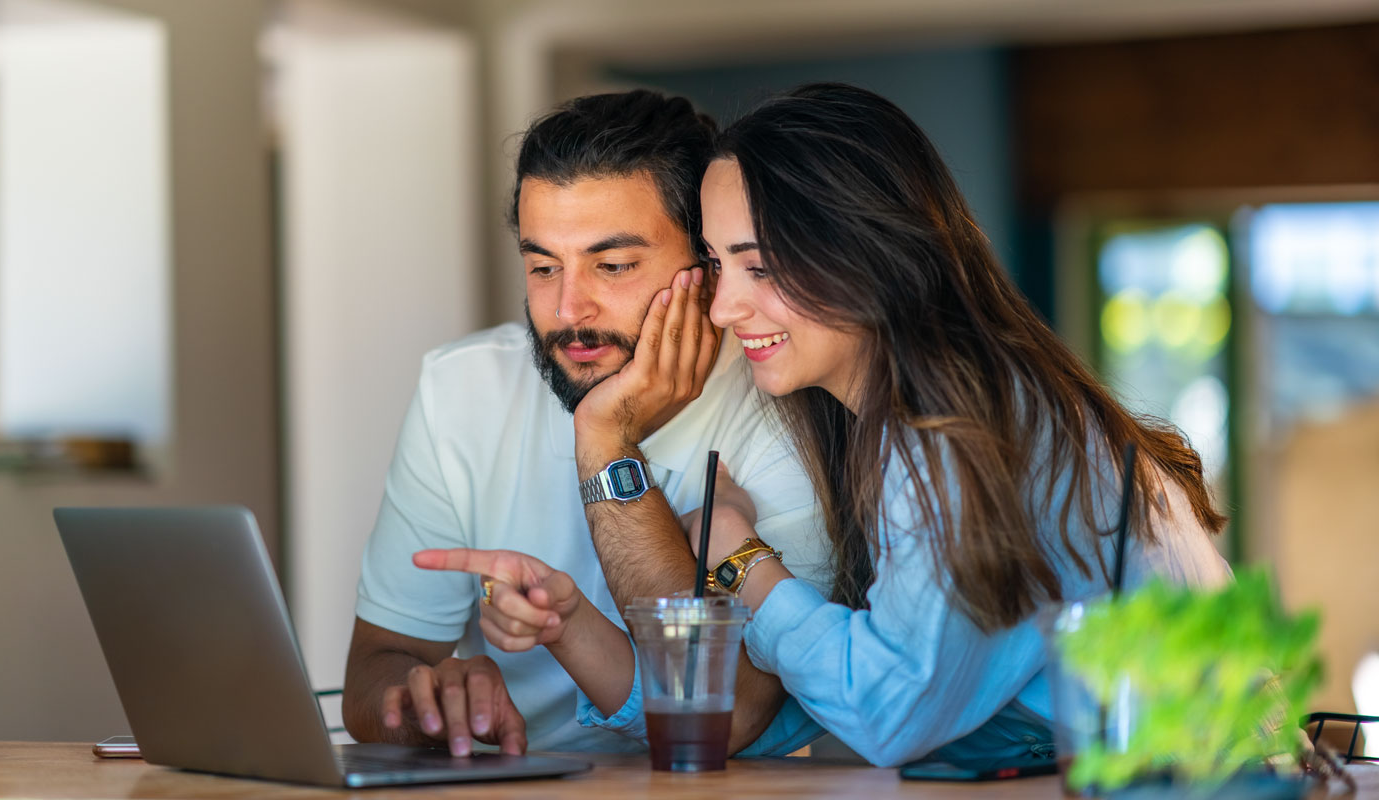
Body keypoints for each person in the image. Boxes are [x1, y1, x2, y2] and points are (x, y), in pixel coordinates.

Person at [416, 83, 1233, 766]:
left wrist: (741, 560)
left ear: (862, 252)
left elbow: (888, 713)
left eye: (761, 266)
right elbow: (784, 714)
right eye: (717, 263)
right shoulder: (897, 422)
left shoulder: (961, 436)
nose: (725, 306)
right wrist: (572, 624)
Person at [342, 90, 830, 757]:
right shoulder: (461, 389)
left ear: (708, 264)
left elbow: (734, 713)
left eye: (615, 266)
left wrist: (605, 439)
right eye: (543, 266)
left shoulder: (793, 409)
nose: (569, 308)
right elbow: (378, 664)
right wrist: (426, 702)